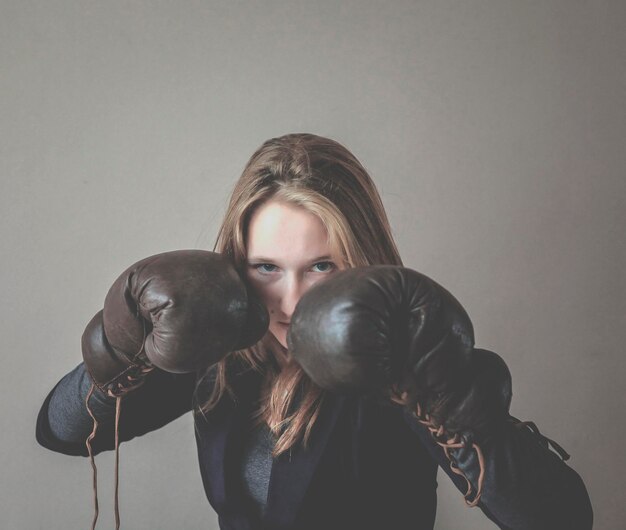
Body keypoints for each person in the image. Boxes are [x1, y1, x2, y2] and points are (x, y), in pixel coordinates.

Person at [36, 133, 593, 530]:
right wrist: (123, 344)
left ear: (362, 262)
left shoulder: (394, 359)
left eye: (322, 267)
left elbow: (560, 519)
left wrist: (443, 392)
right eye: (267, 268)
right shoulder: (220, 344)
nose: (292, 301)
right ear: (236, 265)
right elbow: (59, 431)